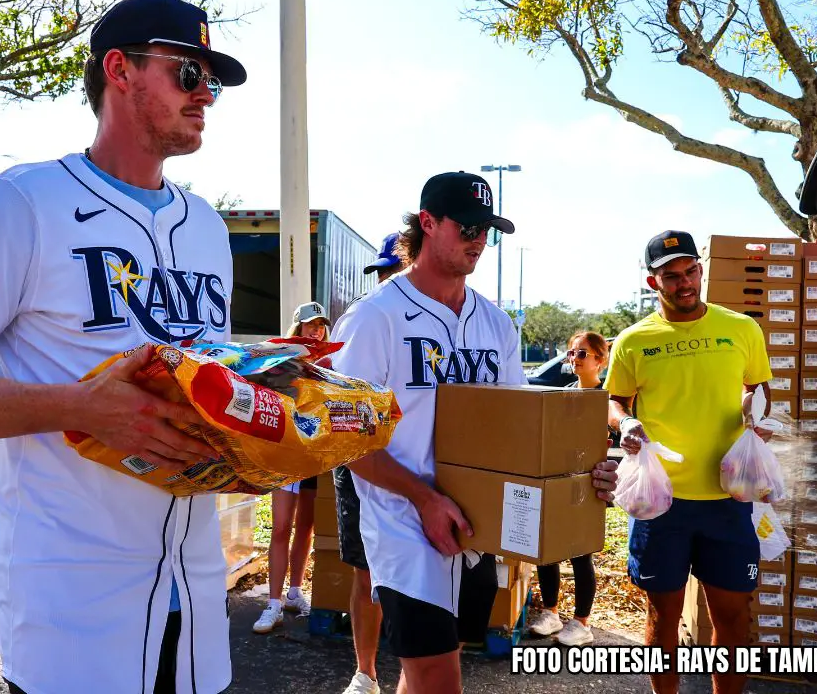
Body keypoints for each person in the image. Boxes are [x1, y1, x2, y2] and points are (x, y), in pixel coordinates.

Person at [0, 0, 247, 694]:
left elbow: (208, 383)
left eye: (214, 81)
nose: (206, 94)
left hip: (199, 607)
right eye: (189, 74)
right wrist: (83, 407)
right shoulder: (23, 201)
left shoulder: (206, 225)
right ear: (120, 70)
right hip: (73, 622)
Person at [329, 172, 619, 694]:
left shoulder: (495, 324)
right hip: (404, 525)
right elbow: (345, 438)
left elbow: (517, 430)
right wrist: (422, 498)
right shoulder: (376, 318)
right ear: (428, 223)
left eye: (487, 229)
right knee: (440, 677)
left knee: (428, 673)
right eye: (467, 227)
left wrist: (581, 471)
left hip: (473, 527)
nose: (479, 240)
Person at [605, 230, 775, 694]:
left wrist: (752, 409)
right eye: (671, 276)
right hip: (663, 502)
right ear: (652, 281)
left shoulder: (741, 329)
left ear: (701, 270)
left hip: (728, 497)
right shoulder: (634, 341)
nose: (684, 283)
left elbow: (758, 388)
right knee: (663, 620)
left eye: (690, 272)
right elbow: (614, 400)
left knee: (733, 618)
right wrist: (624, 424)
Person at [334, 232, 404, 694]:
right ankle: (366, 672)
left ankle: (413, 672)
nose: (385, 281)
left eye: (392, 271)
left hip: (416, 465)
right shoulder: (363, 319)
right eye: (381, 273)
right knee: (365, 572)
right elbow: (336, 400)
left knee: (416, 576)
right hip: (359, 461)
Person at [253, 301, 331, 634]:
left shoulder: (331, 359)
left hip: (314, 454)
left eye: (320, 326)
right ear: (297, 328)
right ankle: (272, 604)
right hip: (286, 453)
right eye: (310, 325)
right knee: (281, 527)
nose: (316, 331)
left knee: (306, 528)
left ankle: (296, 592)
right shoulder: (279, 355)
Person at [529, 330, 608, 646]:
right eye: (571, 353)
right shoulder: (563, 393)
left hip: (588, 484)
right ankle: (551, 613)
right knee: (548, 547)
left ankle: (581, 622)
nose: (573, 359)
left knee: (580, 552)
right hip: (559, 479)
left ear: (599, 360)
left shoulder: (608, 398)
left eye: (582, 354)